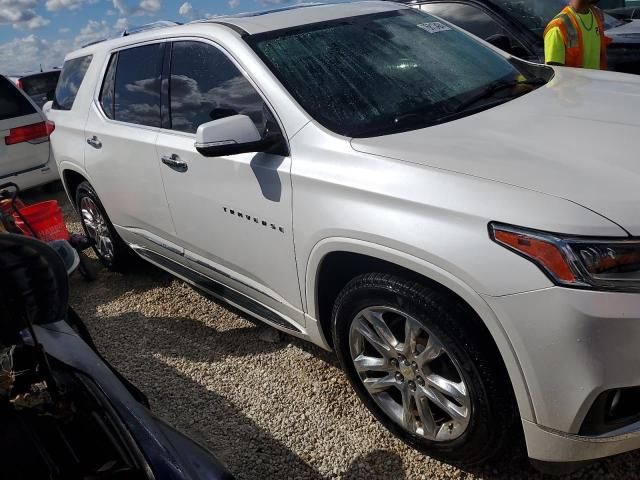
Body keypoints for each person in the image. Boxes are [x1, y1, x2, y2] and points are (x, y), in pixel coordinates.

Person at [544, 0, 612, 70]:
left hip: (596, 80)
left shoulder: (596, 15)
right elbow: (555, 72)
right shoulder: (558, 26)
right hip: (574, 81)